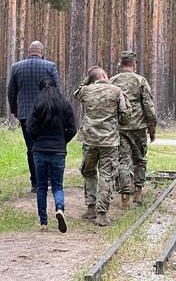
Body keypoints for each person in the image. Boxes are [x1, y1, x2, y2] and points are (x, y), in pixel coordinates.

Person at [73, 65, 128, 226]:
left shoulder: (86, 91)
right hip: (109, 141)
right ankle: (102, 214)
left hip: (89, 140)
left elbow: (77, 93)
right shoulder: (116, 91)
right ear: (104, 76)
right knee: (107, 175)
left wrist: (88, 78)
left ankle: (90, 208)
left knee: (89, 172)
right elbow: (126, 113)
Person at [7, 41, 61, 192]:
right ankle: (48, 179)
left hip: (25, 114)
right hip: (47, 113)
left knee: (32, 147)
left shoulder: (17, 67)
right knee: (48, 145)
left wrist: (14, 109)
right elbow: (57, 90)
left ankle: (36, 183)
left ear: (29, 51)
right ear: (42, 52)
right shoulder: (49, 66)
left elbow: (11, 91)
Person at [26, 76, 77, 232]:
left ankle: (43, 222)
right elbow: (72, 130)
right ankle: (59, 208)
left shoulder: (37, 105)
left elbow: (30, 129)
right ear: (56, 88)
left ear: (41, 89)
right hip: (58, 151)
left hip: (40, 150)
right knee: (57, 186)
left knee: (41, 187)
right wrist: (62, 141)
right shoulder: (65, 105)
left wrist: (37, 140)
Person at [109, 50, 157, 209]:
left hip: (120, 127)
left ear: (121, 64)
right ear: (134, 64)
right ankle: (138, 191)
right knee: (140, 159)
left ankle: (124, 198)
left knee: (123, 161)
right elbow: (149, 108)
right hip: (138, 128)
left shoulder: (112, 81)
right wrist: (152, 129)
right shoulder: (140, 81)